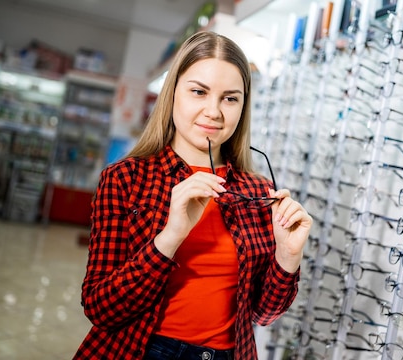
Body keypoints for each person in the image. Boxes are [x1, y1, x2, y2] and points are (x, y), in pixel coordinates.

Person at [73, 31, 312, 360]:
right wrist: (170, 237)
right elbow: (101, 309)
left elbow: (262, 315)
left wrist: (287, 257)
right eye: (199, 92)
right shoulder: (125, 180)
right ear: (173, 94)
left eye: (230, 98)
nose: (213, 111)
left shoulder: (257, 193)